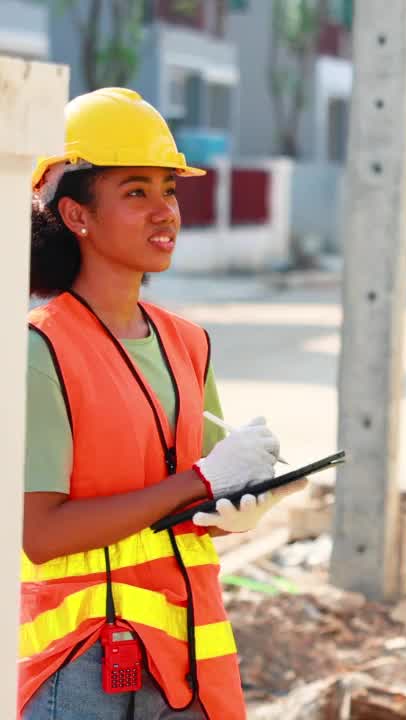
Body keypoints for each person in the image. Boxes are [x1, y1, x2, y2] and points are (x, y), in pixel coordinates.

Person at [20, 87, 303, 720]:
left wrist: (239, 500)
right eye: (135, 192)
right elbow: (39, 534)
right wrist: (198, 481)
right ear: (76, 216)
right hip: (85, 665)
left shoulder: (188, 342)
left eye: (169, 190)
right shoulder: (40, 350)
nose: (164, 212)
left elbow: (198, 499)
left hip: (189, 655)